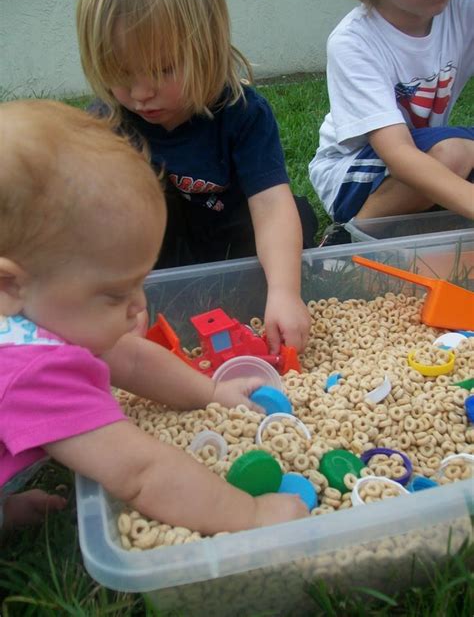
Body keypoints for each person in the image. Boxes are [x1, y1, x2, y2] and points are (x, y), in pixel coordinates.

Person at [0, 100, 308, 533]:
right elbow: (141, 473)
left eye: (139, 281)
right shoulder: (30, 368)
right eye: (112, 294)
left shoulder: (39, 313)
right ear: (9, 286)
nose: (138, 305)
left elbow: (132, 359)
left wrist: (212, 394)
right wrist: (251, 515)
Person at [76, 0, 318, 356]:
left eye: (162, 69)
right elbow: (98, 225)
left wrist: (285, 293)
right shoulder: (108, 122)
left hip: (230, 243)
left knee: (295, 216)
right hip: (157, 248)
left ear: (207, 48)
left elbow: (270, 205)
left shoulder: (242, 113)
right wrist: (121, 293)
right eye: (121, 73)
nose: (140, 93)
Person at [309, 0, 474, 226]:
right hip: (351, 173)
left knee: (456, 153)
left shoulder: (462, 2)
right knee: (454, 154)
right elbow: (398, 154)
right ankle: (352, 235)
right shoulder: (353, 42)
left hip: (429, 151)